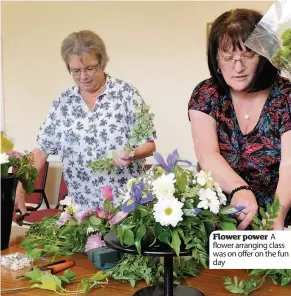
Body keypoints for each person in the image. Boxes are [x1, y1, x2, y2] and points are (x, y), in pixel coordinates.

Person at [15, 30, 156, 215]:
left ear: (102, 62)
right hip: (83, 212)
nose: (83, 77)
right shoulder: (62, 104)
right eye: (76, 71)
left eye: (90, 68)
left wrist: (130, 153)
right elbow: (41, 150)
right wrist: (20, 188)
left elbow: (149, 144)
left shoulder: (127, 95)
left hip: (126, 207)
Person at [188, 9, 291, 230]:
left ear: (263, 55)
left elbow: (289, 164)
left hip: (279, 219)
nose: (238, 67)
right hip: (223, 222)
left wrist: (277, 212)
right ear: (216, 59)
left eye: (247, 55)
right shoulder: (207, 94)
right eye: (228, 57)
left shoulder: (286, 96)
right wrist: (239, 189)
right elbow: (207, 154)